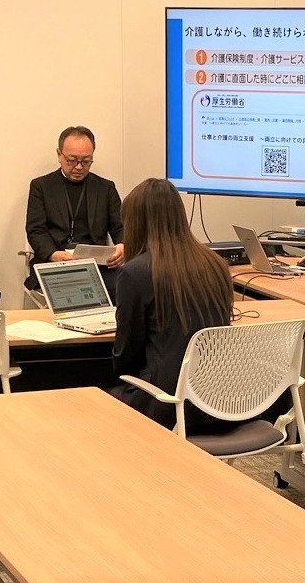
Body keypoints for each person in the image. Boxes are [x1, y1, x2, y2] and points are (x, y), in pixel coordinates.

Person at [110, 178, 233, 429]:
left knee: (89, 395)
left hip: (165, 404)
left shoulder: (135, 272)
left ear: (135, 223)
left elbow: (125, 358)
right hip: (218, 405)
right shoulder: (216, 265)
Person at [25, 126, 123, 296]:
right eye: (72, 160)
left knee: (122, 288)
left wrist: (123, 246)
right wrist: (53, 254)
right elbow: (35, 230)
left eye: (86, 161)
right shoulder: (41, 186)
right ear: (59, 155)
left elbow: (120, 226)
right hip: (54, 262)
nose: (79, 167)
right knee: (71, 293)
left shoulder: (105, 188)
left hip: (97, 265)